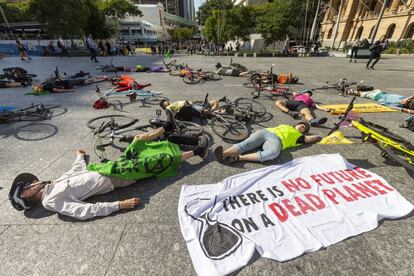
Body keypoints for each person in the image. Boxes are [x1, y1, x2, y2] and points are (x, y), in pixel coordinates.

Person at [9, 124, 210, 221]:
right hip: (117, 177)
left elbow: (75, 171)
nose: (31, 183)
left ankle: (164, 130)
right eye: (27, 186)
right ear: (27, 195)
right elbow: (84, 211)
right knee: (156, 160)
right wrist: (119, 205)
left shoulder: (52, 185)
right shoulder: (50, 201)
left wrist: (80, 157)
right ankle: (198, 151)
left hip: (108, 168)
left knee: (139, 139)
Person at [214, 121, 321, 164]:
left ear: (304, 132)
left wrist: (319, 136)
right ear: (296, 124)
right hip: (265, 132)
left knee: (273, 153)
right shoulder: (286, 125)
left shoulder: (300, 137)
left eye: (304, 128)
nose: (302, 126)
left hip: (276, 140)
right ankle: (223, 155)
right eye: (301, 125)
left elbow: (314, 137)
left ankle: (239, 158)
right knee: (245, 144)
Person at [346, 89, 414, 114]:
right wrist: (406, 109)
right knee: (361, 93)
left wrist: (405, 109)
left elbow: (391, 106)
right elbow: (392, 107)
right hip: (379, 94)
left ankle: (351, 91)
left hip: (379, 95)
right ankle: (351, 91)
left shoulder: (402, 101)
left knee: (362, 93)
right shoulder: (403, 101)